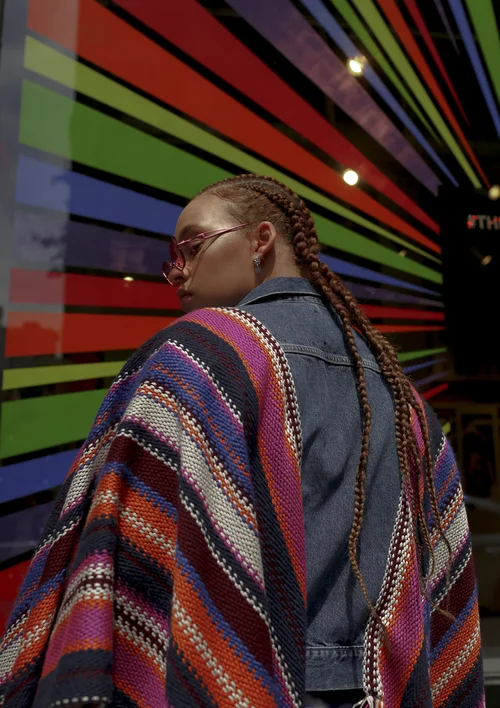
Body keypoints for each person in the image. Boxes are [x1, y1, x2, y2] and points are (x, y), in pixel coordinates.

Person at [0, 174, 483, 708]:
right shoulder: (396, 391)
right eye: (172, 257)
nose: (177, 270)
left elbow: (124, 549)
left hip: (229, 685)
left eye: (192, 245)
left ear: (261, 239)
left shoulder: (196, 358)